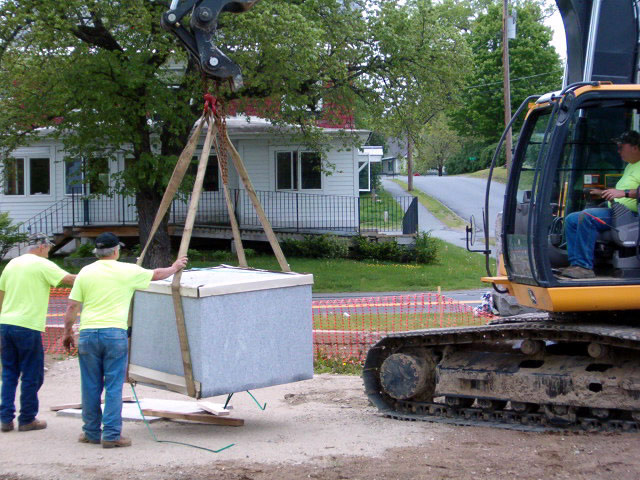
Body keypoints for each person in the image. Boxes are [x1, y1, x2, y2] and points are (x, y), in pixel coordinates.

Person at [62, 232, 187, 448]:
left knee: (90, 385)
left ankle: (91, 432)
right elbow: (157, 274)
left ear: (97, 251)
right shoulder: (127, 271)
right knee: (113, 386)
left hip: (89, 334)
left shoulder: (85, 272)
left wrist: (67, 333)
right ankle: (111, 435)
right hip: (114, 334)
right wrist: (175, 267)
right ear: (116, 250)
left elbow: (72, 306)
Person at [0, 233, 76, 433]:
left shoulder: (12, 264)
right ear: (42, 247)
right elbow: (70, 279)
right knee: (32, 374)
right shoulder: (41, 264)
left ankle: (5, 419)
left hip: (6, 324)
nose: (49, 252)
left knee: (9, 373)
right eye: (49, 249)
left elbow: (1, 294)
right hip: (28, 326)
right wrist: (97, 276)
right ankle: (27, 418)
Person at [560, 130, 640, 279]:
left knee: (588, 217)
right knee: (571, 219)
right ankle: (575, 263)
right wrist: (604, 192)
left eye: (621, 147)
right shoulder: (630, 166)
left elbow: (625, 192)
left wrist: (624, 193)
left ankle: (584, 266)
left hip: (629, 217)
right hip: (615, 212)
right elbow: (619, 191)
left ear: (635, 147)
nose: (618, 150)